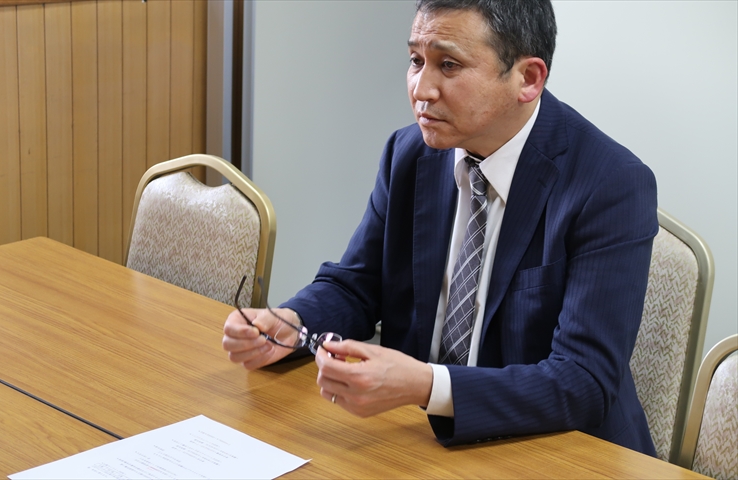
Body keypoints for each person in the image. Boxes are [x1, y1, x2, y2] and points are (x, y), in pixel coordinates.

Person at [222, 0, 658, 455]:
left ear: (528, 79)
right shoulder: (409, 153)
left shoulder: (611, 184)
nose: (421, 89)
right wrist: (291, 323)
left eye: (448, 65)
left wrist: (428, 386)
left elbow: (583, 380)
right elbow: (357, 285)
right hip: (420, 441)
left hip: (559, 451)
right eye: (416, 60)